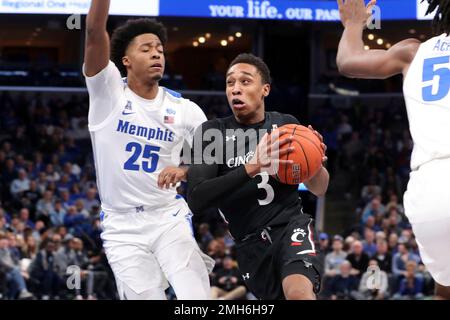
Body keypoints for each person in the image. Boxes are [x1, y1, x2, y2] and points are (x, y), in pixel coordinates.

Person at [83, 0, 213, 300]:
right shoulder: (108, 94)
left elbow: (215, 158)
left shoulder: (185, 109)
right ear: (125, 60)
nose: (156, 53)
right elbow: (93, 31)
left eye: (160, 48)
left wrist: (185, 170)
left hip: (167, 216)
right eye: (146, 48)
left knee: (196, 298)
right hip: (121, 225)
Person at [187, 53, 329, 300]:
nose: (235, 89)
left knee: (299, 294)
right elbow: (197, 199)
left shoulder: (286, 125)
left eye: (245, 81)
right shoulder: (212, 133)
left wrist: (315, 165)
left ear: (265, 89)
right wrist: (252, 167)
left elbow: (319, 188)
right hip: (250, 245)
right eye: (230, 83)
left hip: (290, 227)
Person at [336, 0, 450, 299]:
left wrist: (353, 25)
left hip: (431, 188)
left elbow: (348, 62)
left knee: (444, 289)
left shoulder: (413, 51)